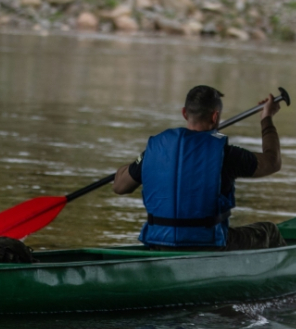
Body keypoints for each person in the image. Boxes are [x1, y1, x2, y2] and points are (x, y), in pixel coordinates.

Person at [111, 85, 286, 251]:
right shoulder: (225, 154)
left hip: (159, 244)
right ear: (215, 116)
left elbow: (119, 186)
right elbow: (273, 162)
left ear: (184, 113)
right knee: (269, 230)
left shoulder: (155, 149)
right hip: (209, 246)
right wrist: (267, 118)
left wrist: (145, 159)